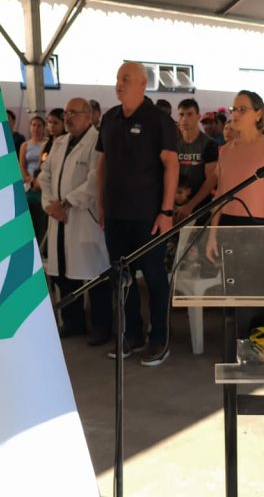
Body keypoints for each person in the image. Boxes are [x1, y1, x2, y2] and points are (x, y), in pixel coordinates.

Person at [96, 62, 179, 366]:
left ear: (143, 83)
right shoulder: (110, 118)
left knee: (154, 278)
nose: (119, 84)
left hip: (148, 215)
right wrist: (101, 204)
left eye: (126, 79)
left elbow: (171, 165)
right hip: (116, 214)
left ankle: (159, 339)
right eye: (118, 78)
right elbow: (102, 164)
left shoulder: (159, 120)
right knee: (122, 278)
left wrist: (166, 211)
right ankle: (132, 334)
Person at [39, 98, 112, 345]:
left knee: (95, 275)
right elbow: (45, 176)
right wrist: (50, 204)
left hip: (83, 217)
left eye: (73, 112)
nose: (68, 117)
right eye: (66, 112)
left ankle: (101, 327)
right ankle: (73, 323)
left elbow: (95, 180)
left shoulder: (97, 141)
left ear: (88, 116)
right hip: (58, 217)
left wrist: (66, 203)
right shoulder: (59, 142)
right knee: (63, 275)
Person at [205, 90, 264, 262]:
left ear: (258, 114)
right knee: (229, 278)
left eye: (242, 110)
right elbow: (220, 195)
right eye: (234, 109)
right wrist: (212, 235)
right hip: (226, 225)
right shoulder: (226, 150)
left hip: (257, 227)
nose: (235, 114)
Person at [175, 98, 219, 222]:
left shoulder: (209, 144)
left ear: (198, 117)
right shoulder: (173, 143)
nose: (185, 119)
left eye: (189, 114)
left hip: (200, 205)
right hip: (175, 205)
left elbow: (211, 179)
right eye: (181, 115)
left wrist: (190, 205)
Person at [19, 115, 49, 243]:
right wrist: (28, 178)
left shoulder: (47, 144)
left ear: (44, 128)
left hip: (42, 182)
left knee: (40, 217)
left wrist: (38, 180)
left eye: (39, 125)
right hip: (29, 183)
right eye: (33, 125)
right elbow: (22, 165)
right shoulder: (25, 145)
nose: (36, 128)